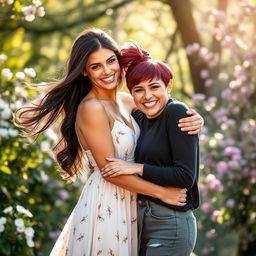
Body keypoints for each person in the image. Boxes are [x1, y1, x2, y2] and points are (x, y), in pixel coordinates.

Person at [14, 29, 202, 256]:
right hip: (109, 201)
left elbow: (158, 107)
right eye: (96, 66)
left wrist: (194, 118)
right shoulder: (91, 108)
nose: (107, 71)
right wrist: (161, 193)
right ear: (84, 71)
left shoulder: (126, 101)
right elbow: (110, 172)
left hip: (136, 204)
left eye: (111, 61)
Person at [102, 41, 200, 256]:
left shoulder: (176, 112)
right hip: (139, 219)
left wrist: (136, 168)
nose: (147, 96)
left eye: (154, 86)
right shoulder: (141, 117)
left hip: (170, 222)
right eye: (139, 90)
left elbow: (185, 177)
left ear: (168, 86)